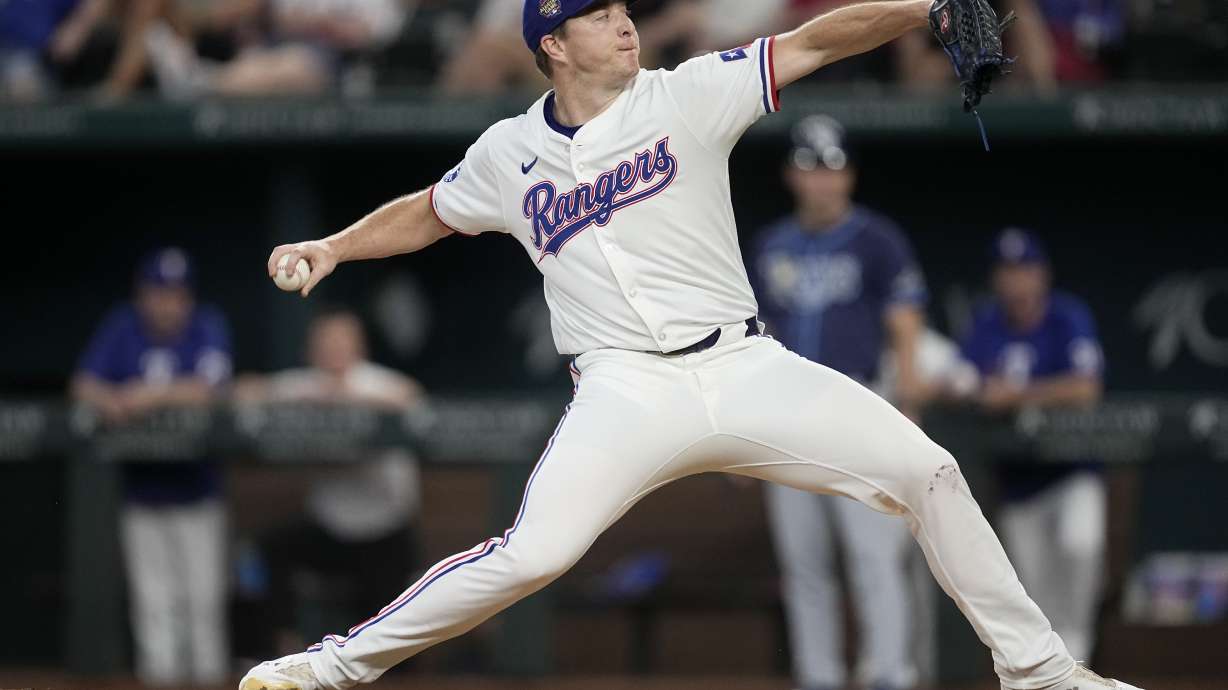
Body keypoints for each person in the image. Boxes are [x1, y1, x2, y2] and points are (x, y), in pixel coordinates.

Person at [241, 2, 1144, 689]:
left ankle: (1042, 674)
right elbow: (429, 213)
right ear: (553, 44)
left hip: (744, 367)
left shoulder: (685, 95)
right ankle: (331, 670)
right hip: (624, 392)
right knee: (534, 554)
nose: (624, 23)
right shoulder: (507, 152)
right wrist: (333, 246)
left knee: (930, 471)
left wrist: (925, 8)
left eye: (623, 8)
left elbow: (819, 40)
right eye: (597, 15)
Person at [751, 115, 927, 690]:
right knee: (804, 563)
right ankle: (819, 678)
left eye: (832, 168)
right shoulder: (771, 244)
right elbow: (752, 341)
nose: (822, 181)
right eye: (810, 168)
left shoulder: (878, 239)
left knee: (873, 555)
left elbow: (905, 327)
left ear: (848, 174)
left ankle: (889, 676)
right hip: (786, 415)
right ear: (791, 176)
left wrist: (908, 410)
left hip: (857, 405)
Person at [71, 247, 232, 687]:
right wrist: (110, 400)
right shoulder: (124, 326)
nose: (167, 303)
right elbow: (83, 384)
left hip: (198, 492)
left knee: (202, 606)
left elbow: (213, 389)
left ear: (188, 298)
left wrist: (146, 395)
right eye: (159, 293)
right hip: (141, 493)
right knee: (153, 607)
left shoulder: (207, 325)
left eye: (176, 294)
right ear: (143, 295)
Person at [233, 307, 424, 657]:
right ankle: (283, 649)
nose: (333, 350)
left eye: (341, 342)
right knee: (272, 549)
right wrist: (306, 399)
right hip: (331, 530)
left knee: (386, 629)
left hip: (385, 532)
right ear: (312, 350)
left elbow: (412, 399)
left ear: (359, 347)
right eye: (326, 343)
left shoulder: (376, 382)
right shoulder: (308, 384)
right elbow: (244, 391)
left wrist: (347, 400)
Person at [959, 227, 1108, 662]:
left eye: (1025, 269)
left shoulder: (1067, 316)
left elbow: (1086, 388)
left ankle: (1078, 651)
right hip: (1019, 481)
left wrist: (1018, 395)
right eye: (1007, 271)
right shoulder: (986, 323)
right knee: (1032, 591)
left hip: (1071, 471)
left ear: (1042, 274)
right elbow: (961, 378)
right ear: (996, 279)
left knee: (1082, 545)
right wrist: (976, 391)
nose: (1017, 280)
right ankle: (1053, 668)